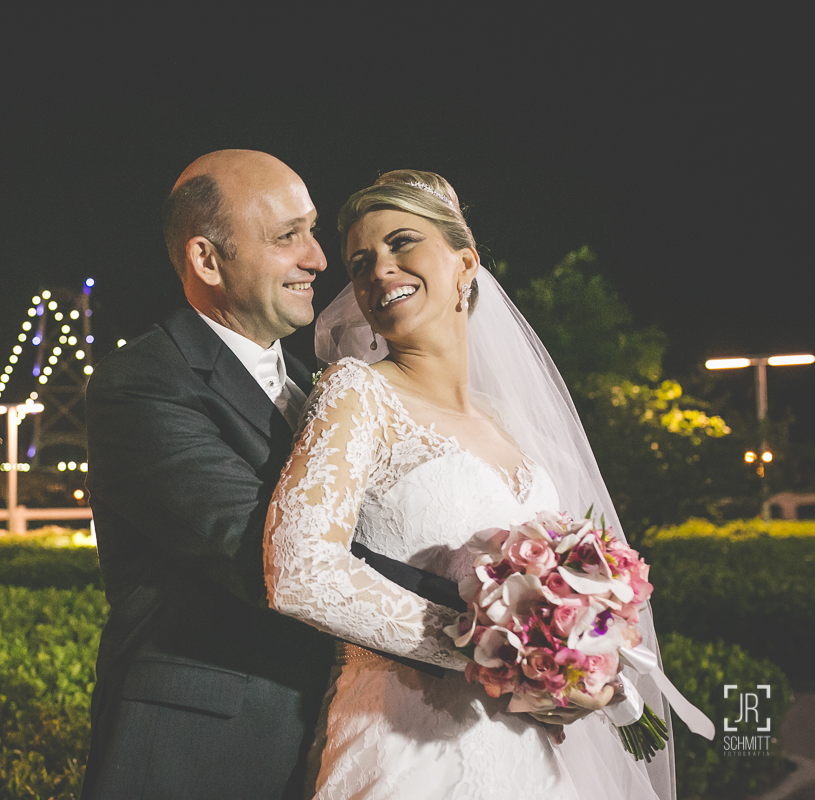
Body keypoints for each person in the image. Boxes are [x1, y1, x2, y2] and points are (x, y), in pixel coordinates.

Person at [264, 170, 676, 800]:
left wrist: (578, 658)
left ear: (465, 264)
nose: (379, 270)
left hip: (538, 757)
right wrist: (498, 656)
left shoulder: (510, 419)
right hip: (408, 747)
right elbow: (299, 571)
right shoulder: (356, 392)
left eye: (403, 243)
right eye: (360, 261)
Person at [82, 152, 463, 799]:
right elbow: (271, 554)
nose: (318, 259)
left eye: (313, 233)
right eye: (289, 237)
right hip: (209, 748)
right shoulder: (145, 385)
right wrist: (499, 621)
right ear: (207, 259)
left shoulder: (316, 379)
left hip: (354, 737)